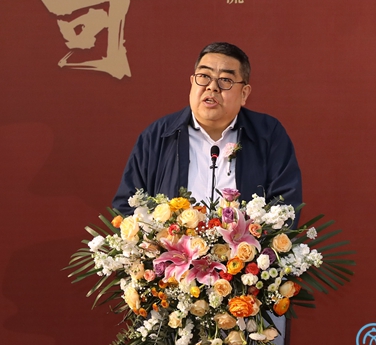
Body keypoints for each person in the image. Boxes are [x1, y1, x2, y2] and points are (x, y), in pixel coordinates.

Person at [112, 42, 302, 216]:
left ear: (244, 94)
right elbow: (128, 206)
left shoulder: (268, 134)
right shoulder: (157, 136)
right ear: (192, 82)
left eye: (225, 80)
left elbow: (285, 207)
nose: (212, 87)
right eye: (204, 76)